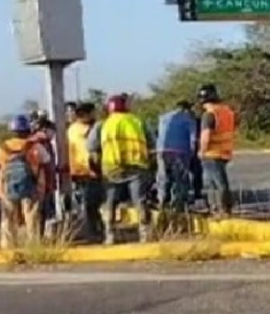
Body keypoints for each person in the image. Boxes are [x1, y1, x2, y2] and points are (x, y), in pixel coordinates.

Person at [87, 94, 155, 244]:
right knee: (140, 201)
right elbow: (151, 145)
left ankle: (109, 235)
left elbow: (92, 150)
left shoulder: (102, 125)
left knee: (109, 203)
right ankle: (145, 235)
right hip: (137, 167)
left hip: (111, 169)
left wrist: (98, 169)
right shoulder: (138, 121)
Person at [0, 115, 51, 249]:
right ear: (28, 130)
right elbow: (47, 164)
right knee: (32, 216)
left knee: (8, 216)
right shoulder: (36, 146)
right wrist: (49, 186)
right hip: (32, 186)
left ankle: (8, 245)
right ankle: (33, 245)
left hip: (7, 187)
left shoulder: (1, 147)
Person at [197, 84, 235, 217]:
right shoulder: (227, 111)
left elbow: (205, 136)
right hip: (225, 152)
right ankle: (217, 209)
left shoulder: (209, 114)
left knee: (216, 183)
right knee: (217, 182)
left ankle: (223, 209)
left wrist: (201, 151)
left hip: (211, 153)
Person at [67, 102, 103, 240]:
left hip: (82, 171)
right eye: (93, 113)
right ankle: (92, 231)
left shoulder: (72, 128)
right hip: (87, 171)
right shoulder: (81, 129)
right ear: (87, 114)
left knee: (91, 203)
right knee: (90, 204)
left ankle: (94, 229)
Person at [156, 99, 198, 214]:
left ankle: (161, 203)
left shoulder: (163, 117)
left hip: (161, 151)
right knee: (180, 180)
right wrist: (192, 154)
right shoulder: (189, 119)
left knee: (163, 178)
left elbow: (159, 134)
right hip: (180, 152)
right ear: (186, 109)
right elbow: (193, 139)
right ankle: (178, 206)